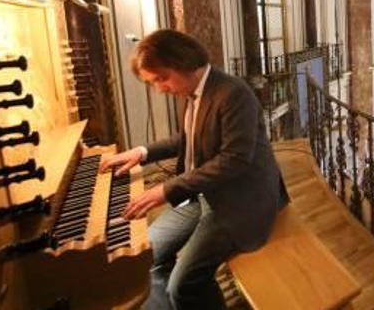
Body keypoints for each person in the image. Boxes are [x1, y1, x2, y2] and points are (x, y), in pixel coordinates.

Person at [99, 29, 288, 309]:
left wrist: (165, 190)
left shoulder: (233, 93)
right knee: (146, 256)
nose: (160, 89)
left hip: (241, 201)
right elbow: (186, 138)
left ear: (184, 61)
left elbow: (235, 159)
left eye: (162, 78)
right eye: (153, 83)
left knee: (184, 285)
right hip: (204, 195)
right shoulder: (192, 94)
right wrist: (142, 152)